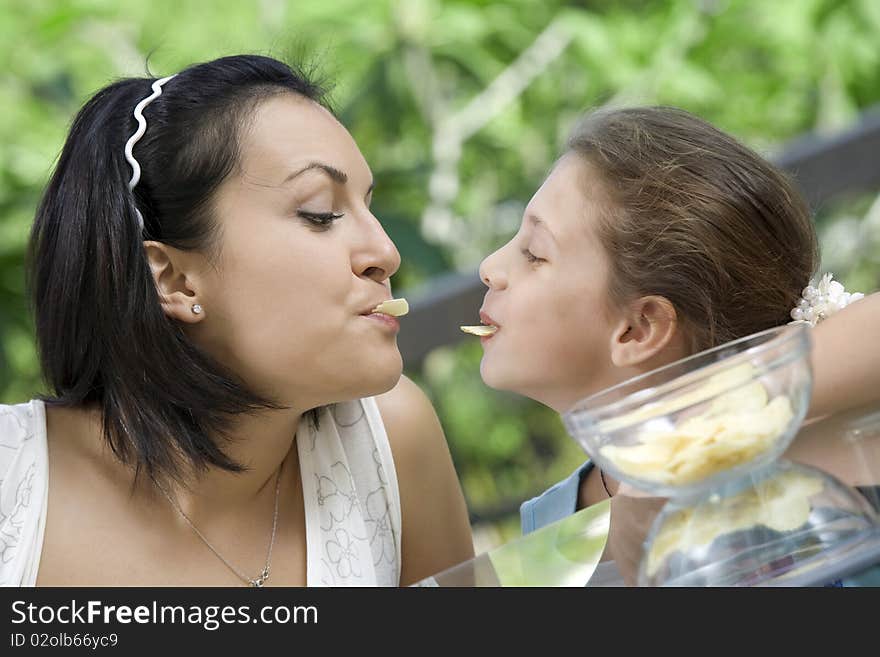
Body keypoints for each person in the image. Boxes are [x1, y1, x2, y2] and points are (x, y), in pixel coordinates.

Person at [0, 54, 473, 586]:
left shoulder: (391, 439)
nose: (385, 252)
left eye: (368, 206)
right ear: (174, 280)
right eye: (321, 213)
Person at [473, 106, 879, 573]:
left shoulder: (832, 447)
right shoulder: (546, 532)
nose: (489, 266)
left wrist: (690, 451)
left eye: (533, 254)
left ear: (639, 328)